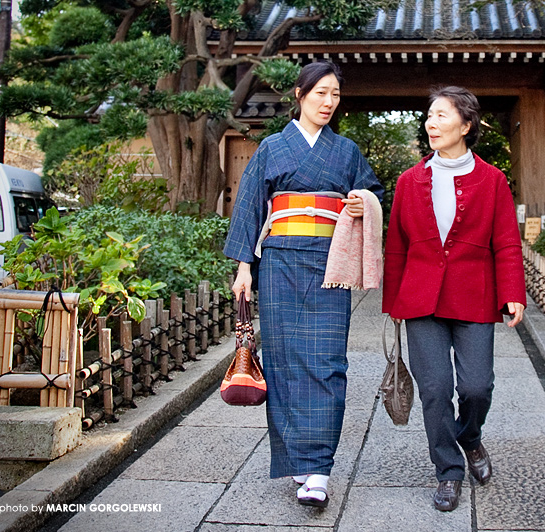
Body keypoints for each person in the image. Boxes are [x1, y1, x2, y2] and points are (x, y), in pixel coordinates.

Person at [224, 61, 383, 509]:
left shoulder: (347, 152)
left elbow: (373, 194)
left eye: (334, 95)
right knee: (283, 361)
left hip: (328, 266)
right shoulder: (273, 148)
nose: (328, 102)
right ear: (299, 94)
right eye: (320, 94)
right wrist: (243, 268)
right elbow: (251, 207)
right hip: (278, 264)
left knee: (328, 363)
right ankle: (297, 455)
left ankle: (319, 468)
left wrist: (360, 204)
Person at [382, 86, 526, 512]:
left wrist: (513, 293)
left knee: (477, 387)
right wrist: (393, 301)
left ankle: (470, 436)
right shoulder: (409, 181)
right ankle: (448, 471)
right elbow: (397, 246)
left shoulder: (493, 180)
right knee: (435, 389)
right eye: (429, 115)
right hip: (421, 300)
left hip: (474, 296)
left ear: (466, 126)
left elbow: (507, 243)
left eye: (442, 116)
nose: (432, 123)